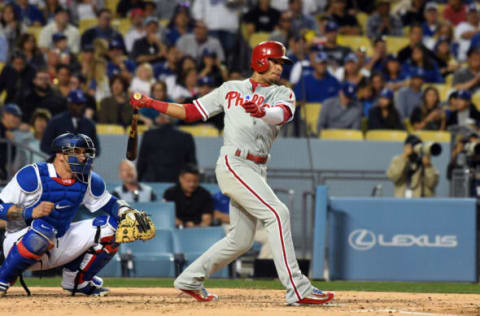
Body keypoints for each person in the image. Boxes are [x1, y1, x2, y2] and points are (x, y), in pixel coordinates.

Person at [130, 40, 335, 305]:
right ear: (260, 61)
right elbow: (192, 112)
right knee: (278, 213)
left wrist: (262, 111)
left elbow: (280, 115)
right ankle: (298, 288)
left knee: (240, 240)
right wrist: (151, 103)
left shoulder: (284, 94)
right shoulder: (231, 89)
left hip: (257, 167)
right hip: (234, 163)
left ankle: (189, 278)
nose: (279, 67)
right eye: (275, 61)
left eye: (282, 63)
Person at [0, 132, 154, 296]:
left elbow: (110, 203)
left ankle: (77, 282)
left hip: (59, 240)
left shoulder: (87, 179)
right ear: (60, 155)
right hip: (20, 242)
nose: (83, 157)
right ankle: (4, 279)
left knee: (114, 226)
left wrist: (127, 212)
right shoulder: (33, 175)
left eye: (85, 153)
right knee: (43, 229)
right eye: (78, 152)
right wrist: (30, 212)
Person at [136, 114, 197, 182]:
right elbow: (192, 163)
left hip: (153, 181)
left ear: (162, 119)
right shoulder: (186, 137)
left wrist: (137, 180)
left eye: (158, 116)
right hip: (177, 182)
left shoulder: (148, 135)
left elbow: (142, 161)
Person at [212, 191, 272, 259]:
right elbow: (217, 215)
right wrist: (240, 219)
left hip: (250, 226)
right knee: (236, 240)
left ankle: (261, 266)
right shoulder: (217, 197)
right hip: (231, 226)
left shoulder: (246, 195)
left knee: (270, 237)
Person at [40, 89, 100, 156]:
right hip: (60, 163)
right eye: (77, 104)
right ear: (69, 104)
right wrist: (61, 153)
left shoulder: (89, 124)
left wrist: (82, 152)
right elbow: (45, 146)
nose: (80, 107)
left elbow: (96, 149)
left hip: (81, 164)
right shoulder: (56, 122)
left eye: (82, 104)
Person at [0, 104, 22, 181]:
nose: (16, 119)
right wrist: (3, 132)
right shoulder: (3, 130)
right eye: (14, 116)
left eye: (18, 117)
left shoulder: (12, 134)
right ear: (5, 115)